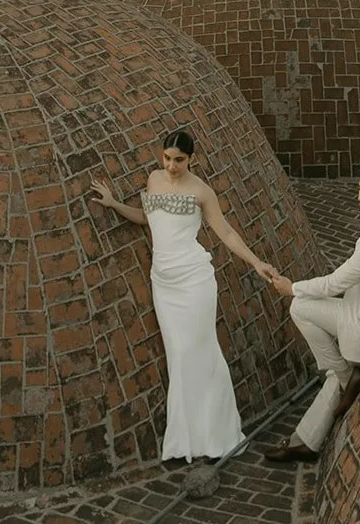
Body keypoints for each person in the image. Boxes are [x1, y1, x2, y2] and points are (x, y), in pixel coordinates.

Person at [90, 128, 276, 462]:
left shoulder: (202, 192)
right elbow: (147, 221)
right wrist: (114, 202)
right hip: (163, 282)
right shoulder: (153, 179)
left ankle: (218, 435)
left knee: (199, 352)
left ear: (192, 159)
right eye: (167, 158)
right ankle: (185, 441)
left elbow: (227, 232)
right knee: (178, 357)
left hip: (194, 279)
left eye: (179, 160)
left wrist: (256, 261)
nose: (172, 165)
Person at [263, 161, 360, 463]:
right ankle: (306, 442)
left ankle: (344, 373)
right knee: (337, 378)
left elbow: (335, 283)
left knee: (301, 307)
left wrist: (292, 287)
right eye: (359, 189)